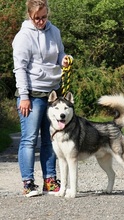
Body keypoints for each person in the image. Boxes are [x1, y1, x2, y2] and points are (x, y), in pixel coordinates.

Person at [12, 0, 72, 197]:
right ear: (30, 16)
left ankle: (50, 181)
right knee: (29, 139)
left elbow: (59, 52)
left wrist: (63, 59)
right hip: (32, 94)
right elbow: (20, 68)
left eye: (44, 17)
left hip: (52, 93)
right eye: (36, 18)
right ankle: (28, 183)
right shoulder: (23, 37)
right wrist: (24, 96)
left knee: (50, 139)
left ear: (48, 14)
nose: (40, 21)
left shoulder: (54, 31)